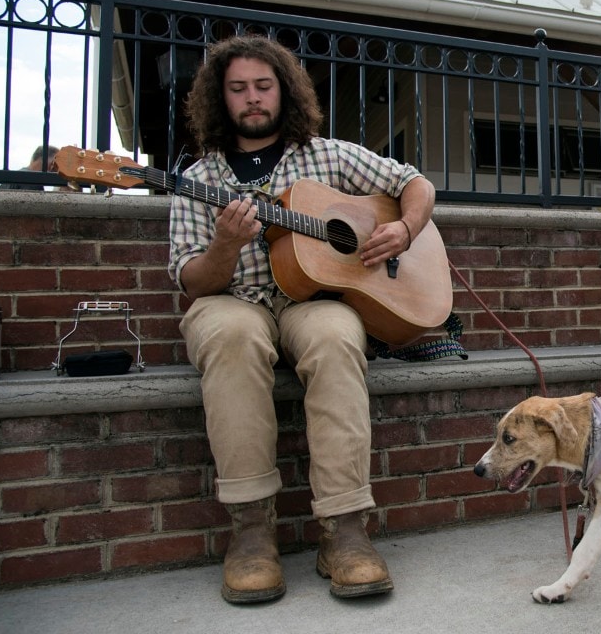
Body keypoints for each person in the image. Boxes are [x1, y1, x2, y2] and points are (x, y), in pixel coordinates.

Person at [168, 35, 436, 603]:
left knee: (339, 336)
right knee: (233, 336)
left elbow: (415, 184)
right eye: (238, 88)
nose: (253, 98)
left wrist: (404, 230)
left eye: (263, 86)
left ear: (284, 91)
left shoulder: (328, 155)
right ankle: (251, 531)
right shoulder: (198, 179)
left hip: (311, 300)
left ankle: (345, 530)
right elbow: (193, 282)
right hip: (233, 299)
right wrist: (224, 246)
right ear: (221, 99)